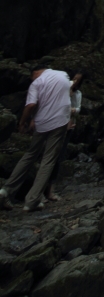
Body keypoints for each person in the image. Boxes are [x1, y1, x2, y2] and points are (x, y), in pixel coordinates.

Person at [0, 64, 71, 212]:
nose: (31, 80)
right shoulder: (63, 75)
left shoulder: (37, 83)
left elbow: (31, 104)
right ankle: (31, 200)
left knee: (30, 155)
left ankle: (6, 190)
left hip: (42, 122)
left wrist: (23, 122)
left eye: (31, 77)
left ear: (36, 72)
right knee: (48, 160)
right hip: (60, 121)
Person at [44, 69, 85, 202]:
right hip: (55, 125)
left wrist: (72, 110)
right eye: (75, 78)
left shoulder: (78, 94)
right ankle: (40, 189)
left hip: (68, 127)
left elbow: (78, 109)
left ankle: (51, 190)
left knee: (58, 157)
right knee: (48, 156)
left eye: (78, 80)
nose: (75, 81)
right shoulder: (62, 89)